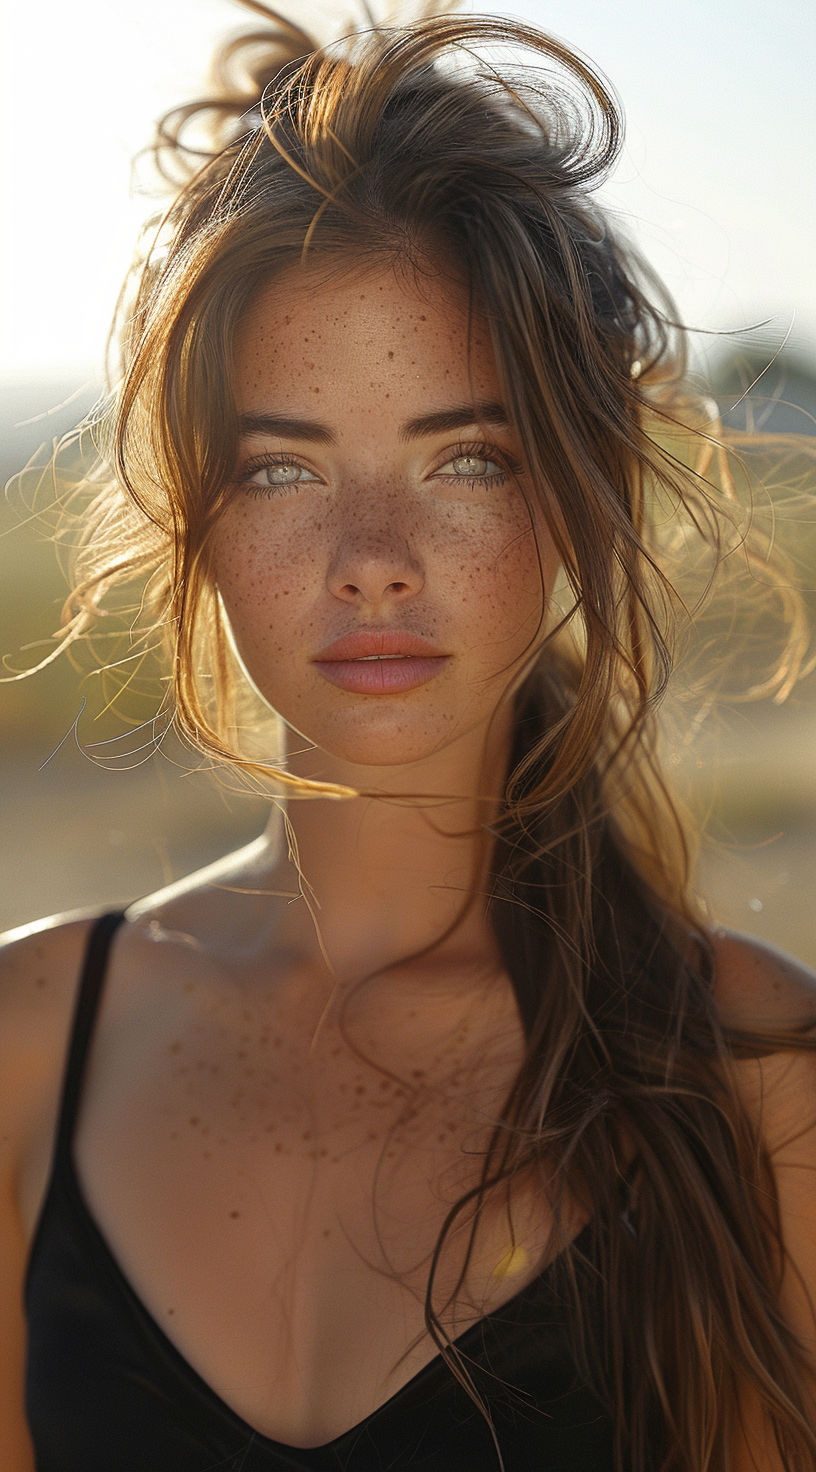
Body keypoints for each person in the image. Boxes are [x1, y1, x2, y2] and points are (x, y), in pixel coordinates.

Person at [1, 6, 815, 1469]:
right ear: (193, 517)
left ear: (576, 495)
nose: (373, 555)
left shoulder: (760, 1079)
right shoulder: (25, 1044)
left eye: (468, 458)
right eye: (282, 467)